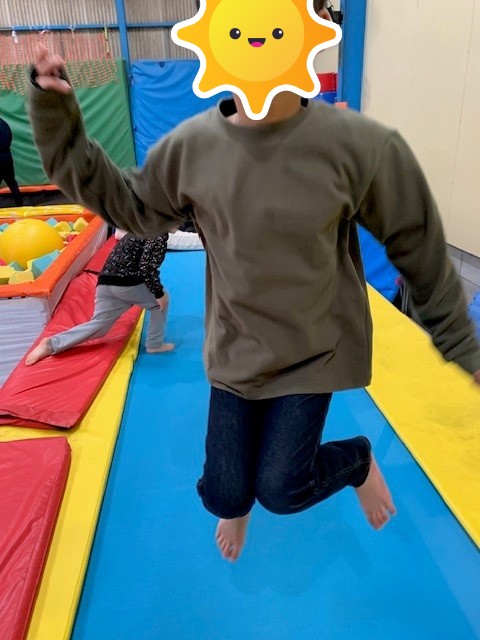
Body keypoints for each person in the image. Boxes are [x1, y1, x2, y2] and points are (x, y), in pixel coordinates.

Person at [28, 0, 480, 563]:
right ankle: (235, 504)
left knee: (282, 490)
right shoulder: (193, 149)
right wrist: (56, 113)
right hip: (237, 351)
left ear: (304, 32)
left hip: (313, 351)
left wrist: (462, 344)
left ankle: (358, 460)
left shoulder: (356, 146)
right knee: (223, 493)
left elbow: (418, 241)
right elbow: (126, 203)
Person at [26, 233, 174, 365]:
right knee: (160, 303)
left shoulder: (137, 229)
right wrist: (158, 294)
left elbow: (118, 256)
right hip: (126, 284)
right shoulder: (158, 234)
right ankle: (155, 344)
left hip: (105, 282)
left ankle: (51, 344)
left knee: (100, 325)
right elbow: (147, 268)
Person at [0, 116, 23, 206]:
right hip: (7, 156)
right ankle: (19, 203)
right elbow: (9, 137)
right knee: (11, 181)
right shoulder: (4, 123)